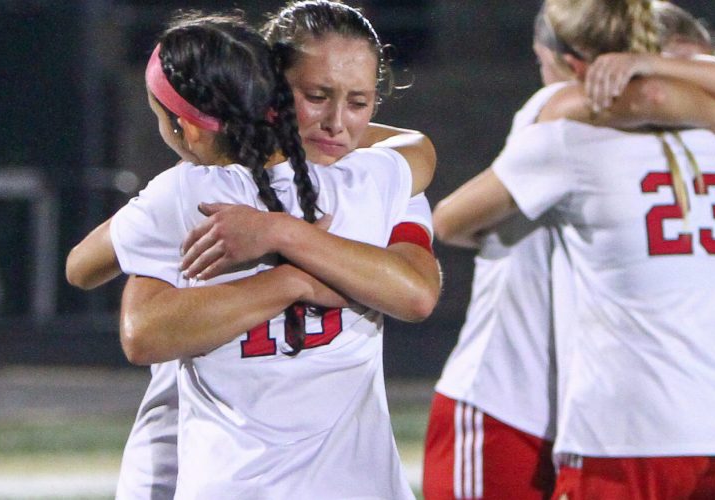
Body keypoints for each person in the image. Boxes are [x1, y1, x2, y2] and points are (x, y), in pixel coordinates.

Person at [64, 3, 438, 497]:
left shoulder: (184, 195)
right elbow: (420, 151)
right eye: (316, 96)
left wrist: (280, 233)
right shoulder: (373, 182)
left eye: (359, 102)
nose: (337, 124)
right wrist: (297, 279)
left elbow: (88, 275)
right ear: (273, 92)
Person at [424, 2, 715, 498]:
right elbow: (445, 222)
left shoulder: (685, 137)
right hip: (509, 397)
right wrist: (712, 110)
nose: (700, 85)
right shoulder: (564, 117)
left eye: (706, 73)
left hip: (608, 411)